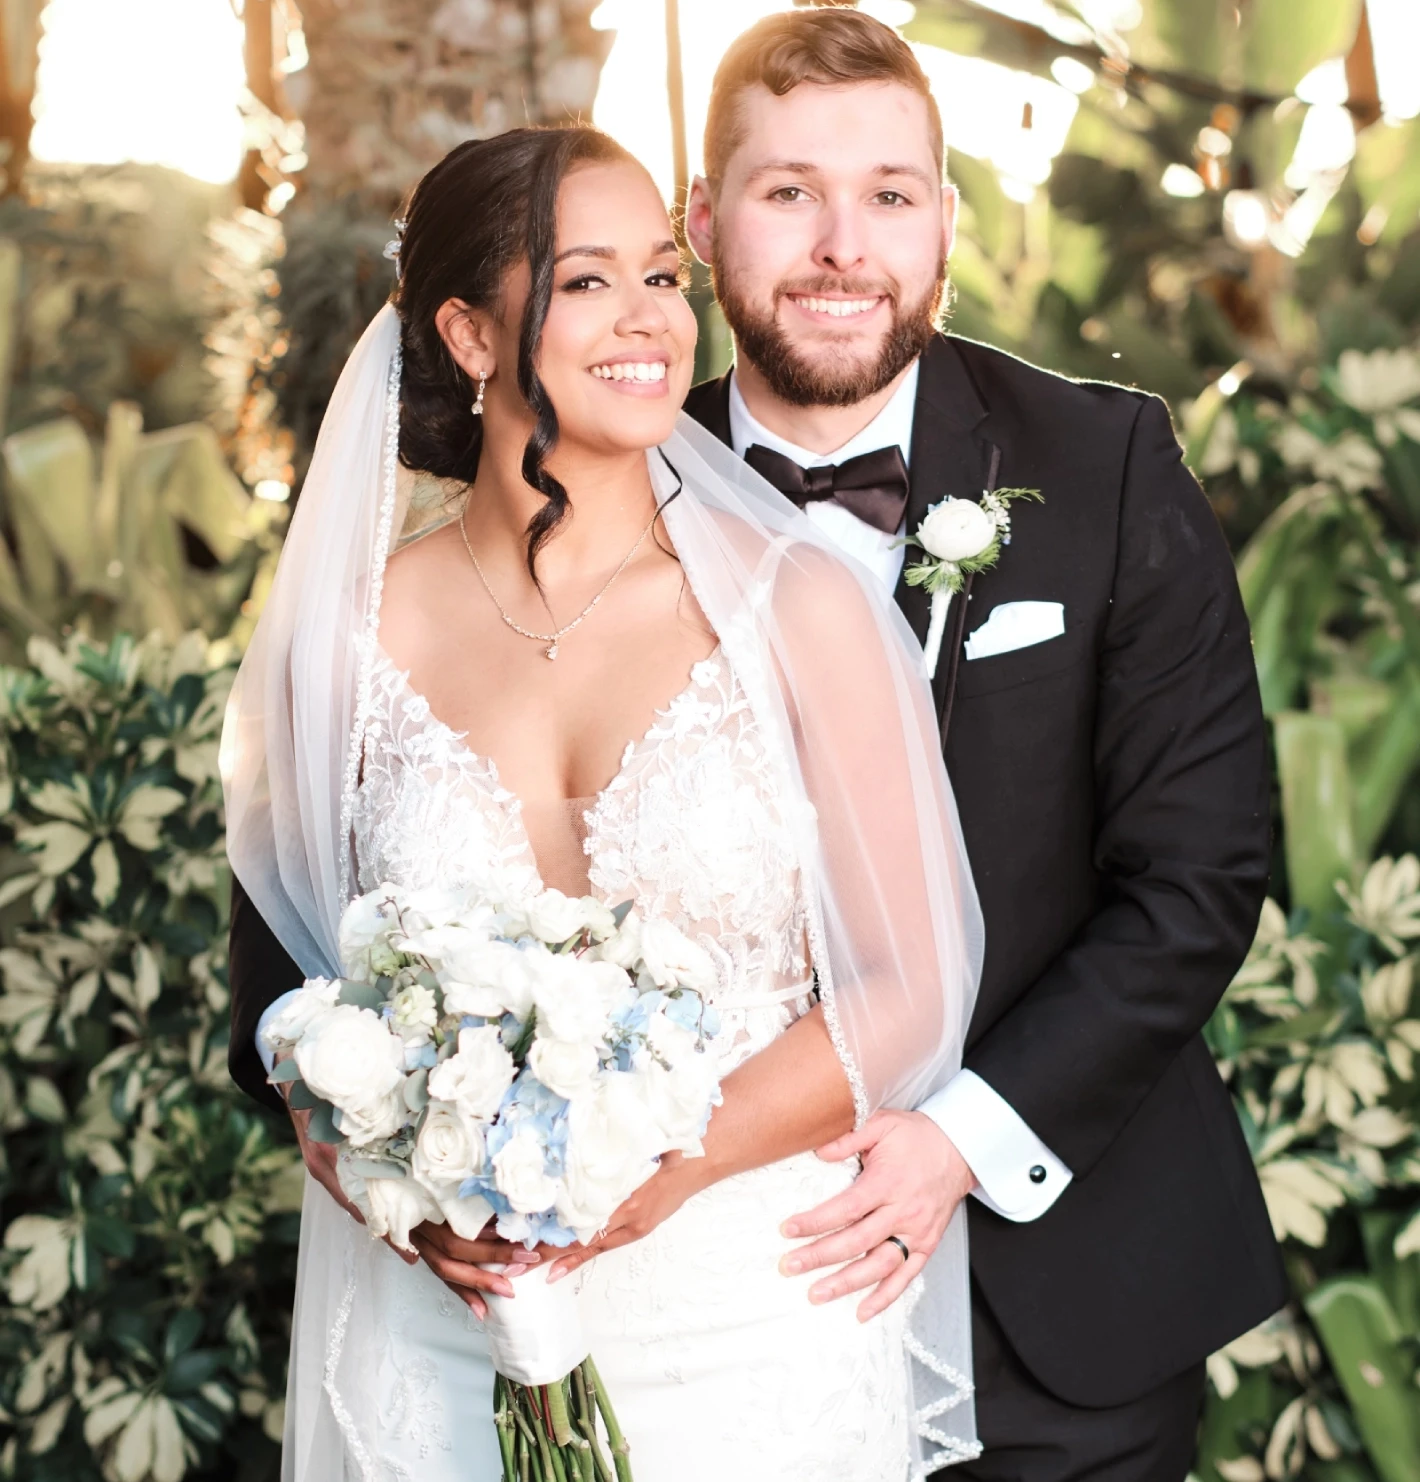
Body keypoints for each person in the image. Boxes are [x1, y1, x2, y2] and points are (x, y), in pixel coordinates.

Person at [221, 123, 983, 1480]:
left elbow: (905, 988)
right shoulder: (341, 639)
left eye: (661, 280)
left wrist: (673, 1164)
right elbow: (283, 1003)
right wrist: (394, 1182)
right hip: (436, 1323)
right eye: (586, 283)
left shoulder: (798, 606)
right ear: (468, 333)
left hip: (752, 1314)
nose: (647, 324)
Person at [653, 9, 1284, 1481]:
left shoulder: (1108, 466)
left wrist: (957, 1137)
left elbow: (1199, 872)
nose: (840, 244)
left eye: (887, 193)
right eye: (787, 189)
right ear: (701, 221)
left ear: (943, 218)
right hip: (712, 1293)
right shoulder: (614, 501)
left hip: (1054, 1299)